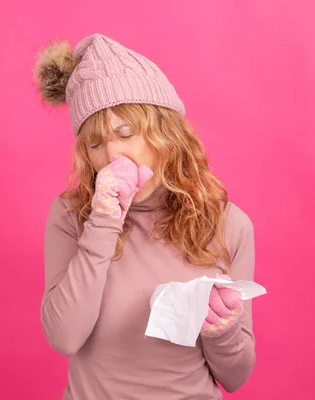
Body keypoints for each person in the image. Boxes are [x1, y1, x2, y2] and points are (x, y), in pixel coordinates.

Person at [34, 33, 257, 399]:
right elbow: (64, 337)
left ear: (166, 135)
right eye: (95, 143)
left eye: (126, 133)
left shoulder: (229, 224)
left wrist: (223, 330)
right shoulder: (72, 216)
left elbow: (235, 377)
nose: (111, 155)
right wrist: (104, 221)